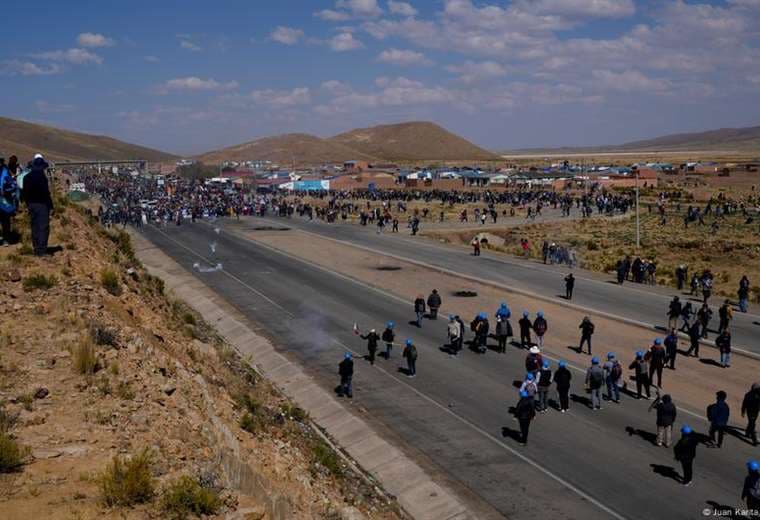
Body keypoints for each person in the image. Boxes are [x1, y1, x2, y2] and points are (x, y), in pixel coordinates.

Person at [21, 154, 53, 256]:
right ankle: (42, 251)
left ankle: (36, 249)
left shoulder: (26, 178)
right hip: (42, 205)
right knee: (43, 227)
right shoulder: (42, 178)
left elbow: (24, 193)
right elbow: (46, 193)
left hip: (31, 205)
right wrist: (50, 205)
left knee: (34, 226)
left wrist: (27, 204)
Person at [0, 157, 18, 246]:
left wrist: (6, 190)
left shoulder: (5, 173)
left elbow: (13, 185)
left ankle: (5, 239)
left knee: (5, 220)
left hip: (4, 201)